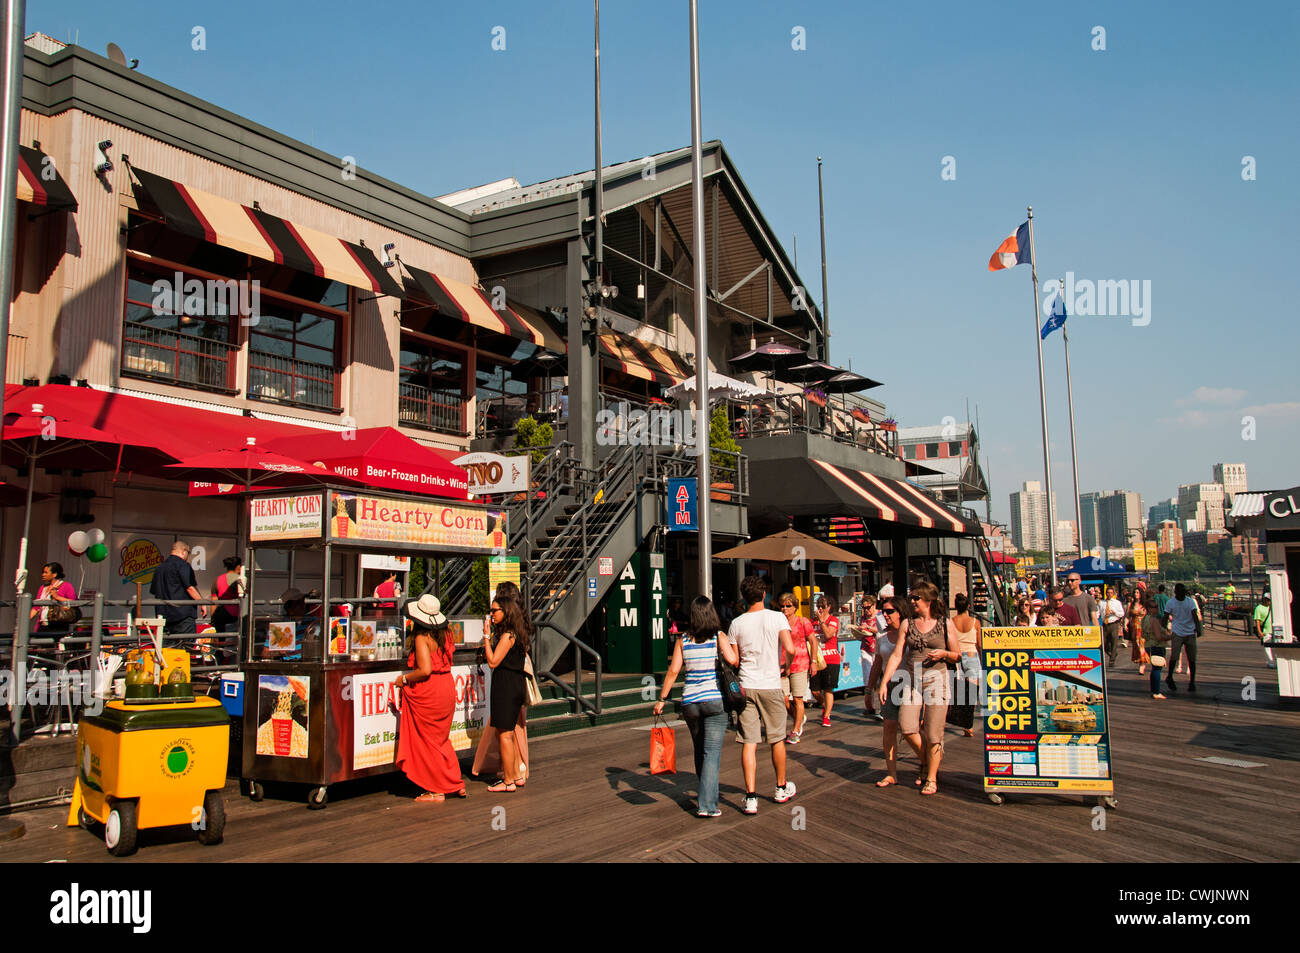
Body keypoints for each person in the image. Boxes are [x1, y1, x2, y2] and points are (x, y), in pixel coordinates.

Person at [654, 596, 739, 817]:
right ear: (712, 614)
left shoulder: (683, 640)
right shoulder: (718, 636)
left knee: (700, 751)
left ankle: (706, 795)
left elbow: (673, 672)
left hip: (689, 703)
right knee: (711, 753)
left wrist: (662, 699)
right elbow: (733, 660)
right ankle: (707, 805)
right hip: (713, 701)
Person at [878, 582, 961, 795]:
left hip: (937, 680)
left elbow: (958, 654)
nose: (912, 602)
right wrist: (885, 681)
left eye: (916, 598)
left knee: (934, 733)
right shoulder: (908, 623)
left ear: (928, 600)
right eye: (911, 598)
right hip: (911, 680)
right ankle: (926, 760)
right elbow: (897, 654)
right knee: (907, 727)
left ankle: (931, 777)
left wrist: (943, 654)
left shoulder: (944, 624)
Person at [728, 574, 796, 815]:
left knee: (749, 742)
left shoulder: (736, 623)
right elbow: (790, 648)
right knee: (776, 738)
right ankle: (780, 787)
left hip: (746, 684)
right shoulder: (777, 617)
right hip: (770, 683)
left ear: (744, 598)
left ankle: (750, 796)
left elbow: (734, 660)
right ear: (765, 594)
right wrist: (786, 667)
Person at [392, 595, 465, 802]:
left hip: (429, 690)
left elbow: (425, 670)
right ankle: (455, 782)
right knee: (441, 738)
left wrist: (404, 679)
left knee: (428, 741)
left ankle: (436, 789)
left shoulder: (421, 638)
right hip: (446, 686)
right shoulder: (446, 634)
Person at [472, 580, 531, 783]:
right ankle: (515, 773)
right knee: (511, 732)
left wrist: (486, 638)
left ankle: (509, 780)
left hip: (506, 685)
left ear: (505, 610)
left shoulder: (508, 635)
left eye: (495, 610)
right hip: (514, 684)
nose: (492, 614)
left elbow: (493, 661)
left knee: (505, 734)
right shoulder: (517, 631)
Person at [869, 595, 910, 784]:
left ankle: (926, 761)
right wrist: (870, 688)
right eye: (883, 611)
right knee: (889, 728)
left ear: (900, 612)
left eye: (889, 611)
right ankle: (891, 772)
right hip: (890, 684)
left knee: (911, 730)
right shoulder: (881, 636)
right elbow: (877, 663)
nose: (884, 614)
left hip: (910, 683)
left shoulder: (911, 634)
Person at [776, 592, 815, 743]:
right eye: (782, 606)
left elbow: (813, 641)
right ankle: (799, 718)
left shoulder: (803, 621)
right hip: (782, 664)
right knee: (784, 699)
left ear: (795, 607)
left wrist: (813, 662)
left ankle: (795, 730)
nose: (784, 609)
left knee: (798, 699)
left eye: (788, 606)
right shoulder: (779, 622)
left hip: (800, 663)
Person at [150, 541, 208, 633]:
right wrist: (202, 603)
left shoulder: (159, 568)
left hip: (163, 617)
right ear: (184, 551)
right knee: (186, 646)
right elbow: (190, 587)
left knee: (167, 647)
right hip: (183, 616)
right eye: (188, 553)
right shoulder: (183, 565)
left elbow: (154, 591)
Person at [948, 592, 981, 737]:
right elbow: (979, 644)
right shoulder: (975, 622)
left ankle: (963, 721)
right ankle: (969, 724)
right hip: (972, 655)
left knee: (961, 691)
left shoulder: (951, 621)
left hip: (958, 655)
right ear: (968, 606)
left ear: (955, 606)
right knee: (972, 691)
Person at [1162, 583, 1201, 693]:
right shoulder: (1172, 602)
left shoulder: (1190, 601)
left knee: (1191, 658)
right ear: (1176, 593)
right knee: (1176, 656)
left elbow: (1194, 615)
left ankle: (1192, 681)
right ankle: (1170, 677)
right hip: (1178, 632)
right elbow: (1165, 617)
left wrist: (1197, 628)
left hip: (1188, 632)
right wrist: (1163, 629)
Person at [811, 596, 841, 727]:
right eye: (818, 607)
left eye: (823, 606)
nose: (820, 609)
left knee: (828, 689)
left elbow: (829, 635)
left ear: (829, 607)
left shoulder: (833, 620)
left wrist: (822, 622)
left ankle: (827, 715)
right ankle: (825, 705)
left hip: (831, 658)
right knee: (815, 691)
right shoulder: (813, 621)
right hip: (817, 659)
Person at [854, 595, 881, 720]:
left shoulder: (880, 616)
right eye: (864, 608)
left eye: (868, 608)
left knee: (879, 680)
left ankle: (881, 708)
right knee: (868, 678)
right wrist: (858, 630)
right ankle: (870, 706)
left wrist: (869, 628)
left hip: (878, 649)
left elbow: (884, 630)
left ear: (874, 605)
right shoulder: (864, 617)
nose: (866, 611)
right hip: (866, 647)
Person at [31, 562, 77, 634]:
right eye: (43, 572)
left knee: (54, 643)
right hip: (43, 625)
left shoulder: (66, 586)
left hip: (58, 625)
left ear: (54, 574)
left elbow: (74, 602)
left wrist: (57, 597)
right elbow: (37, 607)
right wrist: (25, 621)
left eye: (46, 572)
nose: (43, 575)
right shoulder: (43, 588)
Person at [1141, 597, 1171, 699]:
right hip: (1157, 646)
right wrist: (1170, 636)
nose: (1157, 609)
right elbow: (1159, 637)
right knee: (1157, 668)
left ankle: (1154, 690)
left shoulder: (1145, 619)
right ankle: (1156, 692)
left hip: (1148, 645)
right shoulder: (1154, 620)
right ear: (1149, 608)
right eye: (1155, 607)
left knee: (1154, 668)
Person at [209, 555, 245, 634]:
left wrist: (212, 620)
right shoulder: (240, 580)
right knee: (233, 642)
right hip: (234, 616)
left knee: (221, 641)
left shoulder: (217, 580)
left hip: (219, 616)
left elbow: (214, 602)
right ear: (238, 567)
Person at [1100, 585, 1125, 668]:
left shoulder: (1117, 603)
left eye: (1111, 593)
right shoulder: (1101, 602)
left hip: (1113, 624)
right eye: (1108, 592)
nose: (1109, 594)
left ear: (1113, 594)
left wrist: (1115, 613)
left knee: (1114, 642)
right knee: (1104, 643)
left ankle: (1112, 660)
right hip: (1105, 625)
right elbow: (1098, 613)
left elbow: (1122, 613)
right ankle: (1112, 653)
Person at [1254, 593, 1275, 668]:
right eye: (1268, 600)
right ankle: (1271, 662)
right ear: (1264, 600)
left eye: (1270, 600)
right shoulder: (1258, 608)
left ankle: (1276, 662)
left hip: (1274, 630)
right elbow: (1257, 621)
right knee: (1267, 648)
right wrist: (1259, 631)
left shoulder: (1272, 607)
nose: (1269, 602)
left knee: (1277, 647)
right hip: (1266, 631)